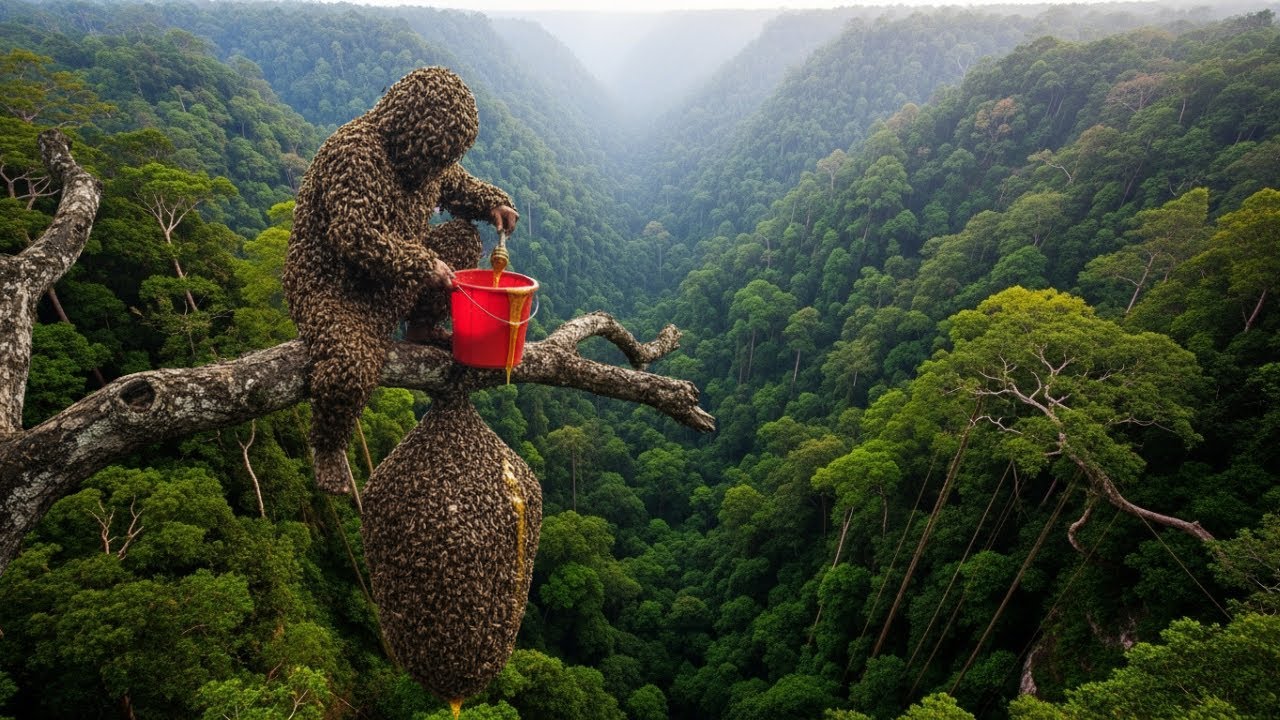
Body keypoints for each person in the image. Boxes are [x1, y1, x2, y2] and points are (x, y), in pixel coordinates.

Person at [283, 66, 518, 493]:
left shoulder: (427, 159)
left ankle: (422, 327)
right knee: (352, 368)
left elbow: (457, 185)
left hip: (395, 277)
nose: (439, 167)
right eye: (436, 157)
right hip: (333, 288)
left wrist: (494, 204)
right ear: (408, 124)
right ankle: (329, 445)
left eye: (445, 158)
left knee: (463, 237)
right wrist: (423, 264)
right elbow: (355, 236)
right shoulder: (353, 152)